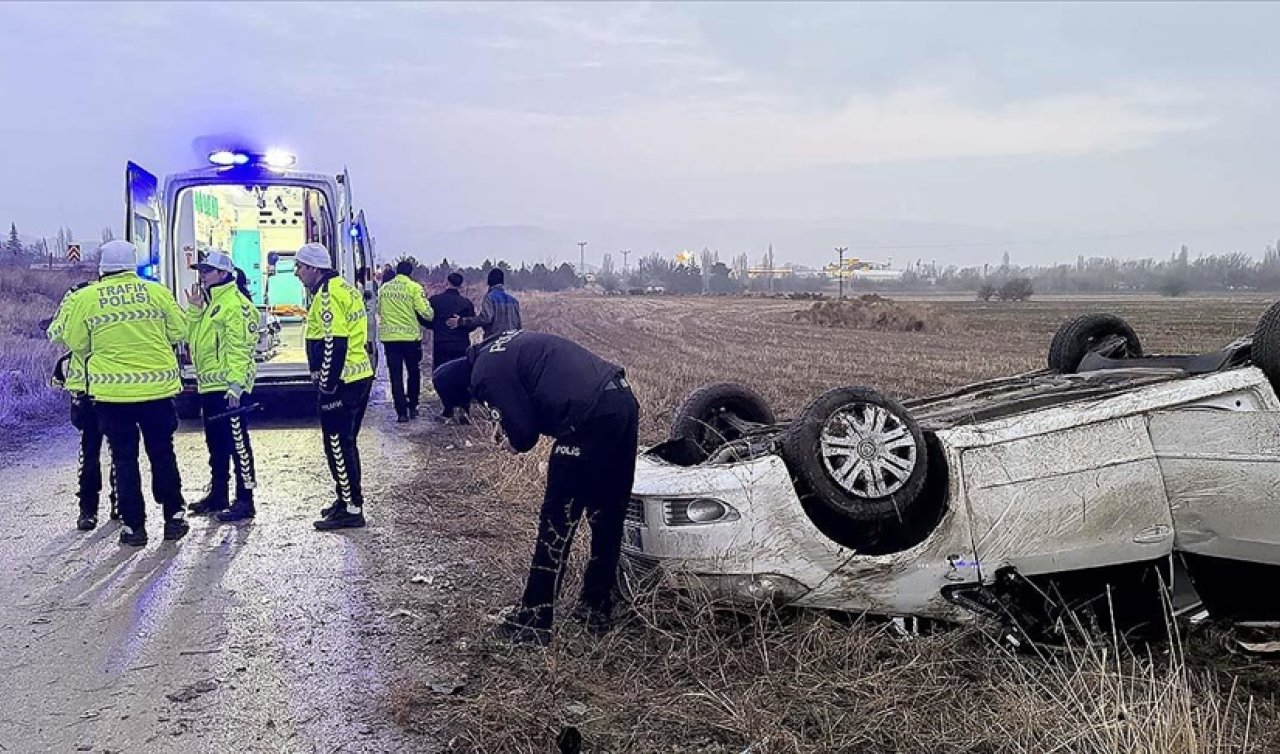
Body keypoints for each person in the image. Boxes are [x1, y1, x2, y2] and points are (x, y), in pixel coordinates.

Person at [433, 330, 639, 647]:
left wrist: (512, 440)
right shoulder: (494, 347)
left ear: (465, 390)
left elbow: (525, 435)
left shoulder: (483, 375)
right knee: (607, 513)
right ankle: (596, 607)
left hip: (586, 418)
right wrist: (507, 423)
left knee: (557, 521)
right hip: (622, 400)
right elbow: (531, 390)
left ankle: (535, 619)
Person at [60, 240, 189, 547]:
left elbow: (77, 342)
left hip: (113, 396)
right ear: (133, 264)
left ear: (102, 267)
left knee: (124, 459)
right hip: (157, 391)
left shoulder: (87, 298)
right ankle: (174, 516)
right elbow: (179, 331)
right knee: (162, 453)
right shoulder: (156, 292)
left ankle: (134, 527)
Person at [293, 242, 375, 531]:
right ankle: (345, 498)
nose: (296, 273)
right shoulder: (344, 288)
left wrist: (326, 385)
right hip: (357, 377)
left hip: (343, 383)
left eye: (300, 267)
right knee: (345, 442)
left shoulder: (328, 296)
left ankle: (352, 508)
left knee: (338, 444)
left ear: (315, 269)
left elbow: (333, 344)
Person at [185, 251, 260, 521]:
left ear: (224, 274)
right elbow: (190, 338)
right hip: (210, 387)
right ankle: (218, 495)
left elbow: (239, 349)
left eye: (207, 271)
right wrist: (194, 310)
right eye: (201, 271)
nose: (202, 276)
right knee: (216, 444)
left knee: (238, 445)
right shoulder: (212, 305)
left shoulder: (235, 305)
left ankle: (245, 499)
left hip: (229, 388)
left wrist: (236, 386)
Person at [47, 280, 118, 531]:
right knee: (118, 451)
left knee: (90, 451)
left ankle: (88, 511)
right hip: (114, 386)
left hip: (90, 388)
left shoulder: (77, 296)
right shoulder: (117, 296)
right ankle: (115, 505)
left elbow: (55, 333)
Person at [377, 259, 433, 422]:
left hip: (390, 339)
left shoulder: (384, 289)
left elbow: (379, 310)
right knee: (413, 372)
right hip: (410, 338)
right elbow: (426, 312)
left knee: (395, 375)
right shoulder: (414, 288)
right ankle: (413, 406)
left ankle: (401, 412)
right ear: (410, 272)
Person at [428, 271, 476, 422]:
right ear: (461, 285)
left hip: (441, 344)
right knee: (462, 377)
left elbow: (426, 318)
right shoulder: (466, 303)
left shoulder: (435, 301)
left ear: (446, 281)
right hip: (461, 345)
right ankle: (465, 409)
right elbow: (471, 325)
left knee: (441, 376)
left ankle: (448, 410)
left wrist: (436, 326)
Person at [448, 267, 521, 340]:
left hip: (494, 342)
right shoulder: (514, 301)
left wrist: (461, 321)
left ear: (489, 282)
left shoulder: (490, 298)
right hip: (512, 342)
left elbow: (485, 319)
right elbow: (518, 325)